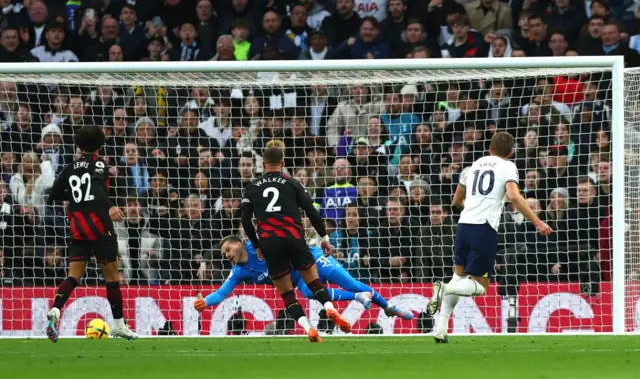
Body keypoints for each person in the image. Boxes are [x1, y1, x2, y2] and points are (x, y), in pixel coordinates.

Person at [427, 132, 552, 343]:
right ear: (510, 153)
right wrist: (537, 222)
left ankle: (440, 329)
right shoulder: (509, 167)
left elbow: (456, 200)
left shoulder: (474, 165)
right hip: (484, 230)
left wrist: (472, 206)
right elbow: (513, 196)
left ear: (489, 149)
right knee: (480, 286)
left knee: (459, 278)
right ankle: (443, 288)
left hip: (464, 226)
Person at [238, 146, 349, 343]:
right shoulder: (293, 183)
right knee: (314, 282)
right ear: (282, 164)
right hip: (294, 238)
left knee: (287, 293)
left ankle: (308, 329)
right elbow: (312, 212)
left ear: (263, 165)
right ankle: (330, 308)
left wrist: (256, 245)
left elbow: (246, 221)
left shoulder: (252, 187)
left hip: (270, 242)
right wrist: (324, 237)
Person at [44, 125, 138, 342]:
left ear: (78, 145)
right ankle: (119, 326)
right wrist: (110, 206)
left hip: (78, 229)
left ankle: (56, 309)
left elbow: (54, 195)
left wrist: (75, 197)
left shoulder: (70, 167)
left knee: (73, 276)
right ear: (100, 145)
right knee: (112, 277)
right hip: (99, 227)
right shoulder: (99, 163)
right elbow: (96, 188)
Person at [193, 236, 414, 320]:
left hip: (312, 260)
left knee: (350, 282)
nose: (227, 256)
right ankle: (358, 297)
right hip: (298, 278)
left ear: (238, 243)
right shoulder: (239, 272)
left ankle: (388, 306)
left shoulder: (258, 245)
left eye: (227, 250)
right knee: (308, 292)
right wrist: (206, 302)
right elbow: (222, 292)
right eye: (224, 254)